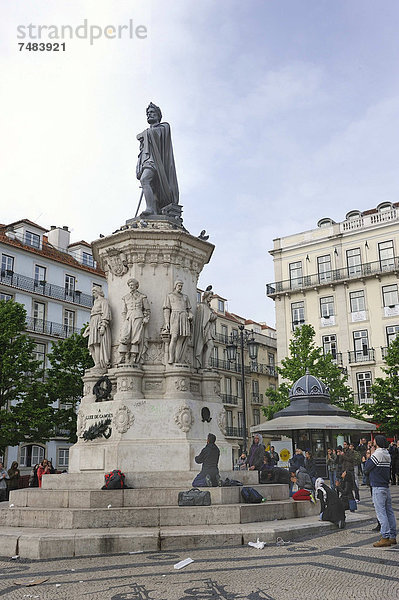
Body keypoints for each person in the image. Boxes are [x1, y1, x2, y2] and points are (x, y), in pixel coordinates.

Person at [136, 102, 179, 216]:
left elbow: (155, 134)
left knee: (145, 180)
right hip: (146, 161)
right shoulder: (148, 131)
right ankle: (154, 210)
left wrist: (145, 134)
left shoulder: (164, 127)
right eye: (148, 113)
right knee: (153, 187)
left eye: (152, 112)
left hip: (155, 162)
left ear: (158, 115)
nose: (149, 115)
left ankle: (149, 208)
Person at [363, 434, 397, 547]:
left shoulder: (377, 454)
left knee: (381, 512)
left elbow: (367, 468)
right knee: (389, 512)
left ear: (377, 442)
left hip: (377, 486)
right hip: (385, 486)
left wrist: (370, 455)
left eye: (373, 441)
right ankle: (392, 536)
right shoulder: (387, 453)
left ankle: (385, 536)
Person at [119, 278, 150, 365]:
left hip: (138, 317)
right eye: (130, 285)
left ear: (136, 286)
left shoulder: (142, 297)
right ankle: (123, 356)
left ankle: (133, 357)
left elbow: (147, 309)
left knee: (135, 338)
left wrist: (146, 318)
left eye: (133, 285)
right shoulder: (125, 297)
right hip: (128, 318)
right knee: (124, 336)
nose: (131, 286)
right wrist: (124, 321)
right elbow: (123, 311)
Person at [163, 280, 193, 364]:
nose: (180, 287)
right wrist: (167, 322)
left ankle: (177, 359)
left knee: (181, 339)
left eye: (181, 286)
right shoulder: (170, 296)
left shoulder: (185, 297)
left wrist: (190, 314)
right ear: (175, 285)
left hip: (184, 316)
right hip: (175, 316)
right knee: (174, 337)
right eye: (179, 285)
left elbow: (189, 309)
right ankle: (171, 358)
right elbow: (166, 309)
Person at [83, 287, 112, 369]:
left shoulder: (104, 301)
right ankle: (96, 363)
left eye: (94, 291)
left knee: (96, 343)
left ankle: (98, 364)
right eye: (92, 291)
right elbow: (93, 315)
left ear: (99, 292)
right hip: (93, 323)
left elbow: (106, 313)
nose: (93, 293)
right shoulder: (95, 302)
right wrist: (88, 327)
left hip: (99, 322)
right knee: (91, 346)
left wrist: (103, 325)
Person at [193, 286, 217, 369]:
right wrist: (214, 315)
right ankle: (205, 364)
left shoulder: (207, 307)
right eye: (210, 297)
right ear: (206, 297)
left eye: (211, 298)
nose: (210, 299)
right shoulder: (203, 306)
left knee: (209, 346)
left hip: (208, 329)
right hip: (204, 329)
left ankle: (205, 364)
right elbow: (210, 317)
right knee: (210, 345)